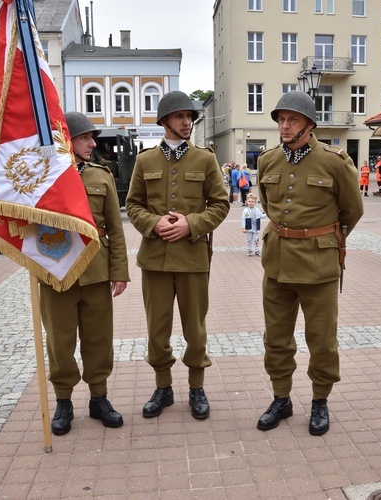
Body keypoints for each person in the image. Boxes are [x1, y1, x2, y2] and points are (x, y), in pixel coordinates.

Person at [256, 91, 364, 436]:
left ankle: (320, 400)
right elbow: (267, 205)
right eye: (281, 120)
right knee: (276, 338)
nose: (285, 127)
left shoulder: (334, 160)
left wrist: (325, 238)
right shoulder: (267, 160)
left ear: (309, 124)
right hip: (276, 264)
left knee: (321, 340)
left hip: (319, 265)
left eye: (292, 120)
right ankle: (281, 398)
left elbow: (353, 210)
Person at [125, 90, 230, 420]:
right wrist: (155, 224)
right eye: (180, 117)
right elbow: (133, 205)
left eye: (190, 117)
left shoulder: (205, 159)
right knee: (157, 329)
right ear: (164, 121)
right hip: (154, 259)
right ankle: (163, 387)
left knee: (195, 329)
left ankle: (197, 388)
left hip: (193, 257)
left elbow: (221, 204)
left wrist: (191, 224)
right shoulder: (145, 161)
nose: (187, 122)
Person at [42, 112, 130, 436]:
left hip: (95, 272)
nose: (93, 143)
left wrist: (118, 271)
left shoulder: (101, 176)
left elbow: (116, 230)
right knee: (60, 342)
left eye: (92, 137)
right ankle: (63, 401)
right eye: (85, 138)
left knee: (98, 340)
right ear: (67, 140)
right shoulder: (44, 176)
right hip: (56, 272)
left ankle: (99, 398)